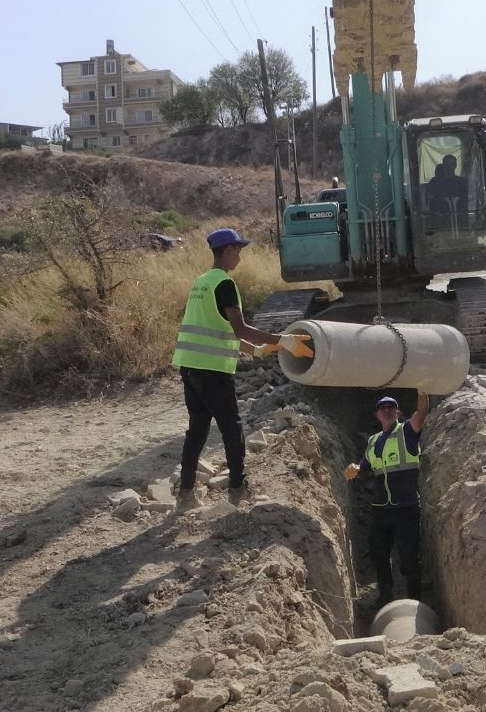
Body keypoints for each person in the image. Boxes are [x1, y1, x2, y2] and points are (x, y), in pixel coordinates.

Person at [172, 227, 313, 512]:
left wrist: (255, 350)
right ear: (228, 251)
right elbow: (240, 328)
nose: (240, 256)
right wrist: (282, 341)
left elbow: (216, 331)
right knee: (232, 428)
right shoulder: (224, 284)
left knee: (197, 430)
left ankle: (185, 496)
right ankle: (238, 489)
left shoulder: (201, 282)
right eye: (239, 250)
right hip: (213, 372)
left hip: (190, 367)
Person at [345, 390, 430, 606]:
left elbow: (422, 411)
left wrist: (422, 391)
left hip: (406, 506)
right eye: (383, 408)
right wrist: (355, 469)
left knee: (409, 557)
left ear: (398, 412)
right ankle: (386, 597)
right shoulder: (373, 441)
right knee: (378, 554)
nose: (387, 410)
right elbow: (365, 467)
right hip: (380, 508)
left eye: (391, 407)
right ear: (377, 415)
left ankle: (415, 602)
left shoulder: (408, 431)